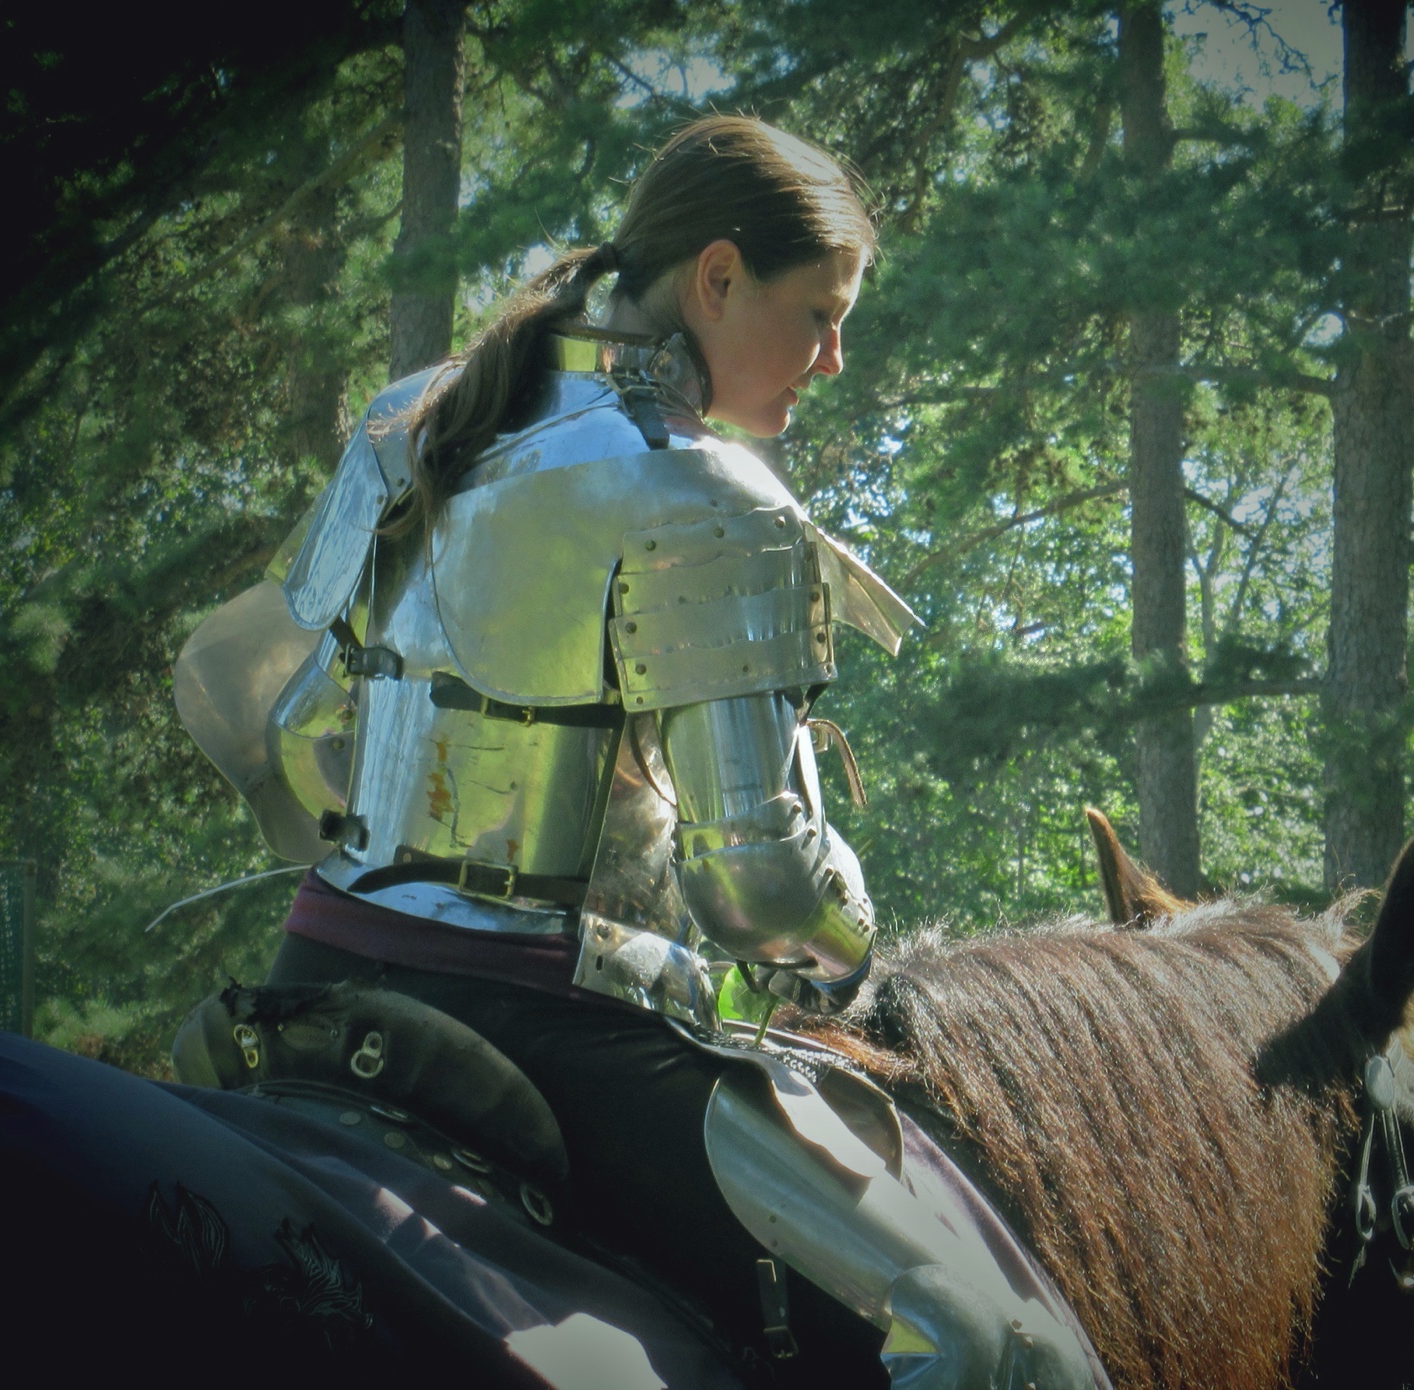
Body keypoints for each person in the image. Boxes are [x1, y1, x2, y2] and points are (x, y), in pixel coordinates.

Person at [174, 116, 1097, 1389]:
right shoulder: (706, 493)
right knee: (995, 1346)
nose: (834, 359)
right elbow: (761, 893)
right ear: (717, 276)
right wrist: (853, 950)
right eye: (821, 315)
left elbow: (261, 711)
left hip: (316, 967)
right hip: (546, 1025)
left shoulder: (414, 418)